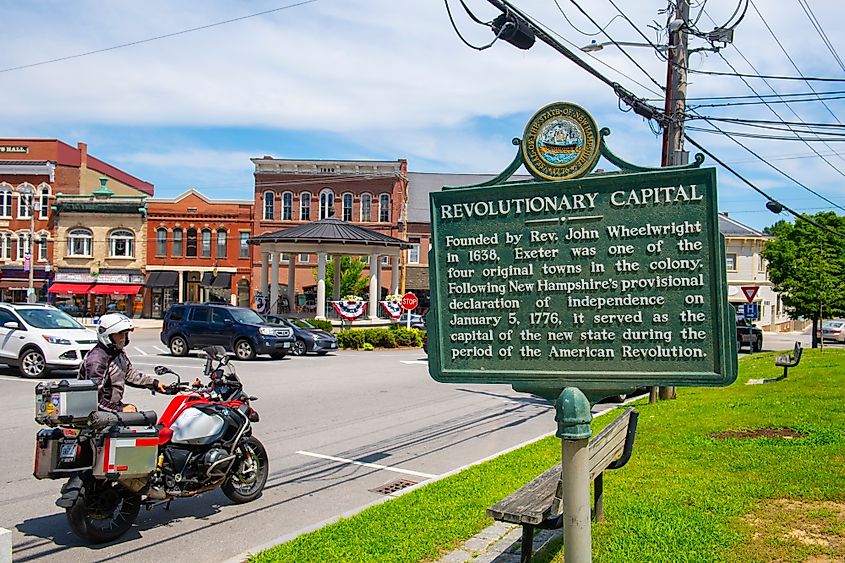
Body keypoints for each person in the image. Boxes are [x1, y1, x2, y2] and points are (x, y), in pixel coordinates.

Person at [78, 312, 167, 413]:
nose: (123, 338)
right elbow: (93, 399)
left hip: (111, 407)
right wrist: (120, 409)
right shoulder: (96, 360)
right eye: (120, 334)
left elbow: (129, 373)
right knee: (146, 420)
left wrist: (154, 383)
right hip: (96, 413)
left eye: (125, 334)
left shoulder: (117, 352)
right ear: (108, 335)